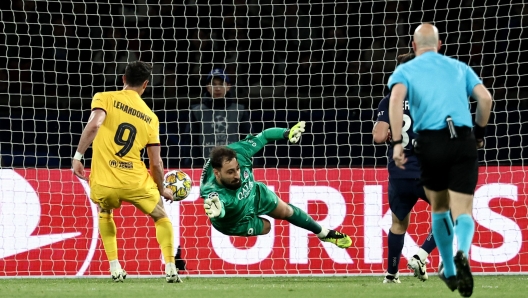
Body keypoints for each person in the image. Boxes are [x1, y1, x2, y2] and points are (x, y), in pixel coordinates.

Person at [388, 24, 492, 297]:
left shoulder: (406, 71)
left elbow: (396, 100)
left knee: (440, 208)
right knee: (464, 210)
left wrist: (398, 142)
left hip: (430, 142)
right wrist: (479, 134)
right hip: (463, 139)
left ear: (413, 46)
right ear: (440, 44)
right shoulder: (459, 67)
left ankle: (448, 266)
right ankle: (462, 254)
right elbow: (485, 98)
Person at [72, 61, 181, 283]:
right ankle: (170, 266)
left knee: (104, 209)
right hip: (135, 180)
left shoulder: (105, 97)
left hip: (105, 180)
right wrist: (162, 189)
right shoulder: (151, 117)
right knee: (160, 215)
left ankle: (115, 267)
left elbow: (94, 125)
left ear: (123, 79)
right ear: (146, 85)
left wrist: (78, 156)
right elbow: (156, 162)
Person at [200, 122, 352, 249]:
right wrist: (219, 213)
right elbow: (219, 207)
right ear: (217, 173)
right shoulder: (211, 190)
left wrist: (286, 133)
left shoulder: (239, 151)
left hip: (253, 194)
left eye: (238, 169)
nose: (237, 175)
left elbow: (265, 135)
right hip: (235, 221)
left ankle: (324, 233)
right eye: (230, 172)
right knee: (266, 227)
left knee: (286, 210)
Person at [373, 52, 437, 284]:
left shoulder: (388, 100)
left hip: (399, 173)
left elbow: (379, 137)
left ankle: (391, 275)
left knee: (398, 224)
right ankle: (421, 254)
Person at [184, 68, 250, 167]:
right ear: (207, 87)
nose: (217, 88)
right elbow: (190, 143)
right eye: (214, 84)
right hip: (204, 167)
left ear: (228, 87)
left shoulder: (239, 111)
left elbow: (248, 141)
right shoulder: (197, 111)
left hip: (234, 167)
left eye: (221, 84)